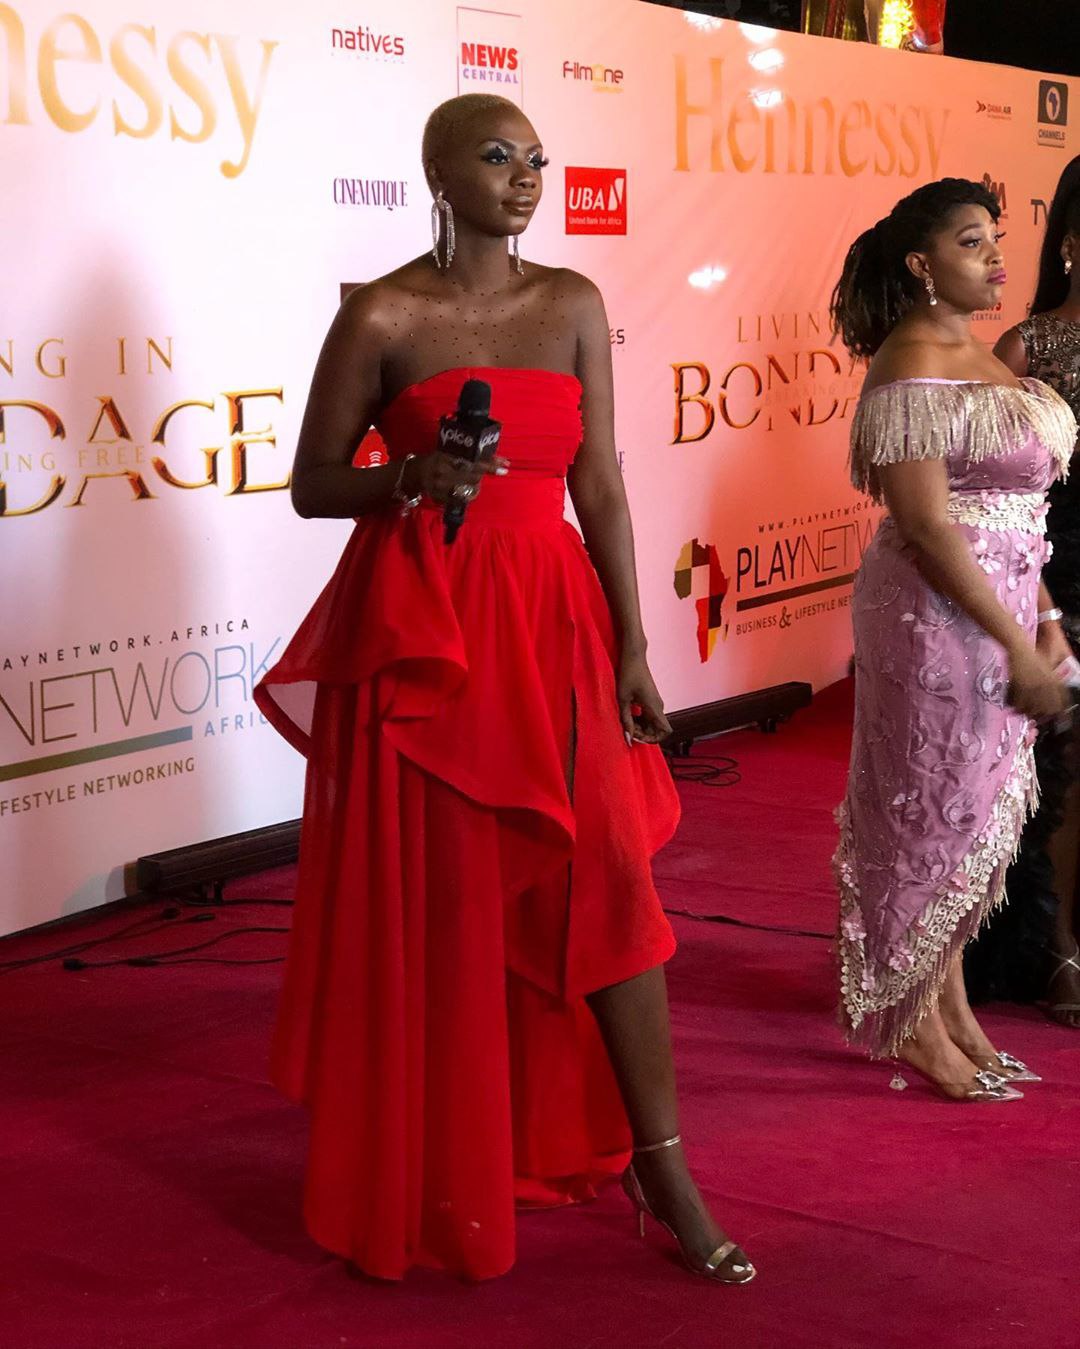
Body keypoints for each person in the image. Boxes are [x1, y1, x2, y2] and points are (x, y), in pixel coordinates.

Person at [253, 93, 754, 1284]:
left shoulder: (571, 301)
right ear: (438, 174)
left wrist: (634, 645)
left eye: (537, 159)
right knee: (451, 903)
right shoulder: (382, 313)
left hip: (556, 622)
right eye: (496, 156)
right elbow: (314, 483)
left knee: (610, 885)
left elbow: (604, 485)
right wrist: (410, 476)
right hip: (426, 635)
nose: (526, 177)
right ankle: (444, 1156)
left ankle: (662, 1164)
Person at [828, 178, 1076, 1100]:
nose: (996, 256)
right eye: (972, 242)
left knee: (979, 818)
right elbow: (930, 528)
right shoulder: (910, 360)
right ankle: (911, 1023)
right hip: (934, 620)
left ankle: (954, 1009)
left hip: (1001, 610)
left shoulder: (978, 351)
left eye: (995, 237)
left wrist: (1044, 622)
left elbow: (1016, 519)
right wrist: (1014, 641)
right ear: (922, 264)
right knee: (927, 815)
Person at [966, 155, 1080, 1026]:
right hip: (1056, 575)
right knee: (1063, 768)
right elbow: (988, 502)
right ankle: (1060, 949)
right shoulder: (1026, 352)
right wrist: (1041, 609)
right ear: (1071, 243)